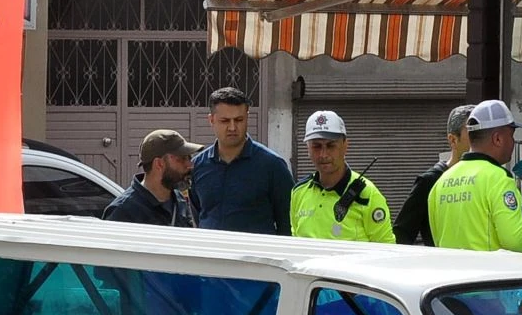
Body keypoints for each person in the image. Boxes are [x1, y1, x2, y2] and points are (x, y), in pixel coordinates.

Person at [428, 99, 522, 252]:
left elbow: (437, 240)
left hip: (451, 267)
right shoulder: (499, 179)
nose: (513, 142)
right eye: (511, 135)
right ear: (497, 139)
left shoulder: (441, 182)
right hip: (490, 268)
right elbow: (515, 242)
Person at [189, 87, 292, 234]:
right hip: (210, 248)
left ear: (247, 118)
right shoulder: (198, 166)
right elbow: (199, 215)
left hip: (256, 249)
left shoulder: (272, 166)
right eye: (225, 121)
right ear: (211, 120)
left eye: (239, 120)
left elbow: (287, 221)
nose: (232, 127)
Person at [289, 110, 394, 243]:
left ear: (345, 146)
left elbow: (387, 248)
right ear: (307, 149)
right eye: (316, 146)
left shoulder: (368, 195)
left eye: (331, 145)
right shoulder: (298, 192)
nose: (323, 154)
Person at [393, 104, 473, 246]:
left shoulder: (489, 178)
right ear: (453, 140)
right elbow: (401, 234)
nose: (480, 140)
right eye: (473, 134)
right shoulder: (430, 181)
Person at [102, 129, 200, 227]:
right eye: (182, 159)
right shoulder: (122, 212)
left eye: (189, 158)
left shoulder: (179, 200)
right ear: (159, 164)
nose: (190, 165)